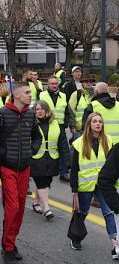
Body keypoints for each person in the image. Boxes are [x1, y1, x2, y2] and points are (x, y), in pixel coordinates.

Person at [0, 82, 42, 262]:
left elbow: (37, 136)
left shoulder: (30, 113)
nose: (30, 95)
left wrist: (31, 151)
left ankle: (11, 243)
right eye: (27, 92)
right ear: (17, 95)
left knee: (20, 209)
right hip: (8, 167)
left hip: (25, 167)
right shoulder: (1, 113)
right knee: (12, 208)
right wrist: (2, 154)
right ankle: (8, 247)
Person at [69, 112, 116, 255]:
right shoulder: (79, 143)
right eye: (94, 121)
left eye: (100, 122)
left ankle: (115, 245)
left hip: (103, 184)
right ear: (89, 124)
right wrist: (74, 188)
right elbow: (74, 168)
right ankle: (75, 237)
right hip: (86, 184)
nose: (98, 124)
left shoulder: (109, 140)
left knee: (109, 213)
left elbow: (114, 165)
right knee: (82, 212)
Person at [30, 100, 70, 220]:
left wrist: (67, 161)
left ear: (47, 110)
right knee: (42, 182)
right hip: (36, 158)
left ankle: (36, 202)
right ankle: (47, 208)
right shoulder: (31, 124)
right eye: (37, 109)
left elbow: (63, 143)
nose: (39, 111)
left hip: (52, 158)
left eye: (42, 108)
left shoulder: (56, 124)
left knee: (45, 182)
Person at [39, 76, 70, 182]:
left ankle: (64, 172)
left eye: (56, 83)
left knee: (63, 149)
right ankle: (45, 169)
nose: (54, 85)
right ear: (48, 84)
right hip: (46, 125)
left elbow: (67, 111)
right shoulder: (42, 95)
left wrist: (66, 123)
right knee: (46, 147)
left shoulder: (63, 95)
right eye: (52, 83)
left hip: (60, 126)